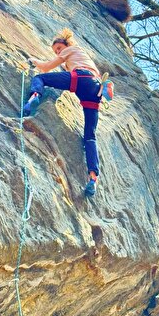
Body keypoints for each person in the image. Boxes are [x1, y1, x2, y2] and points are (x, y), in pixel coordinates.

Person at [23, 28, 102, 197]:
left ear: (66, 45)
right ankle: (93, 179)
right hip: (95, 91)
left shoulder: (70, 50)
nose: (58, 52)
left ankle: (34, 97)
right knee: (90, 136)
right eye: (56, 51)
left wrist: (33, 60)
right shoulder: (83, 56)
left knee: (40, 79)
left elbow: (46, 67)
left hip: (80, 79)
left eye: (59, 48)